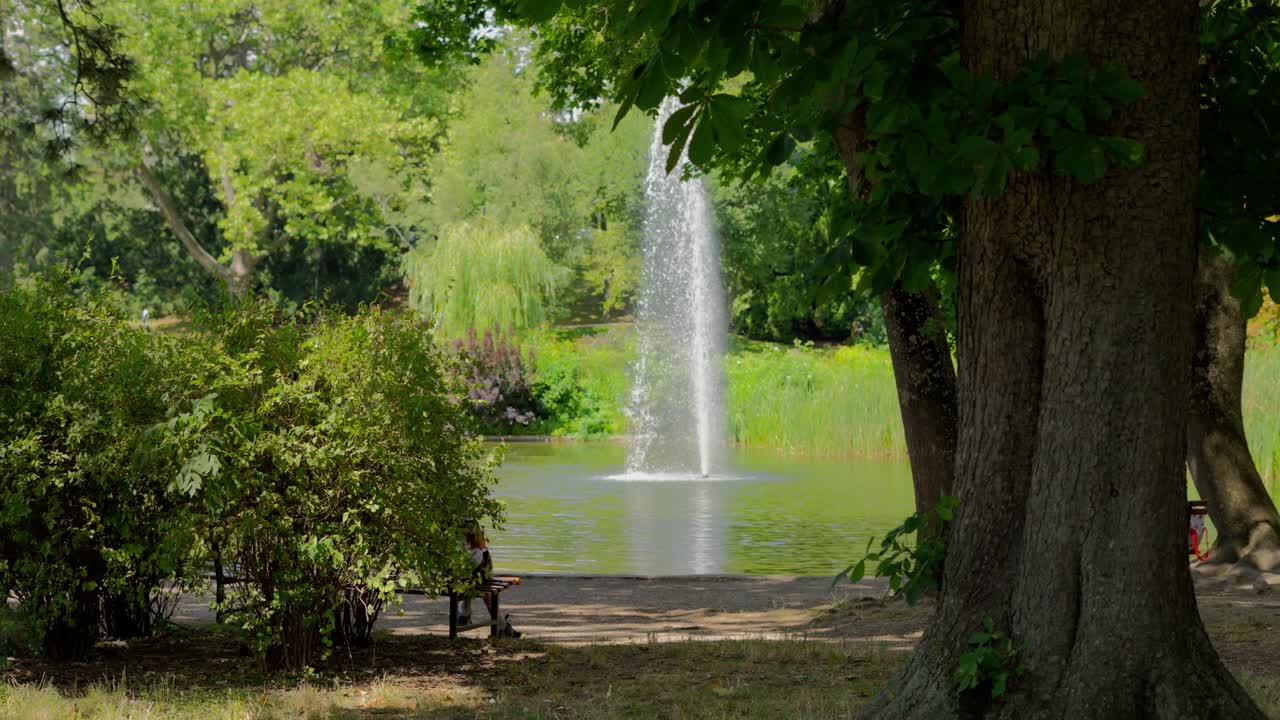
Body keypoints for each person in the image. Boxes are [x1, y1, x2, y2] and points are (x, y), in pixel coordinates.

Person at [456, 524, 521, 638]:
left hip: (447, 579)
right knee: (481, 559)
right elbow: (480, 545)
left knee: (473, 572)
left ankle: (464, 612)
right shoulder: (476, 549)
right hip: (466, 580)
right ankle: (502, 626)